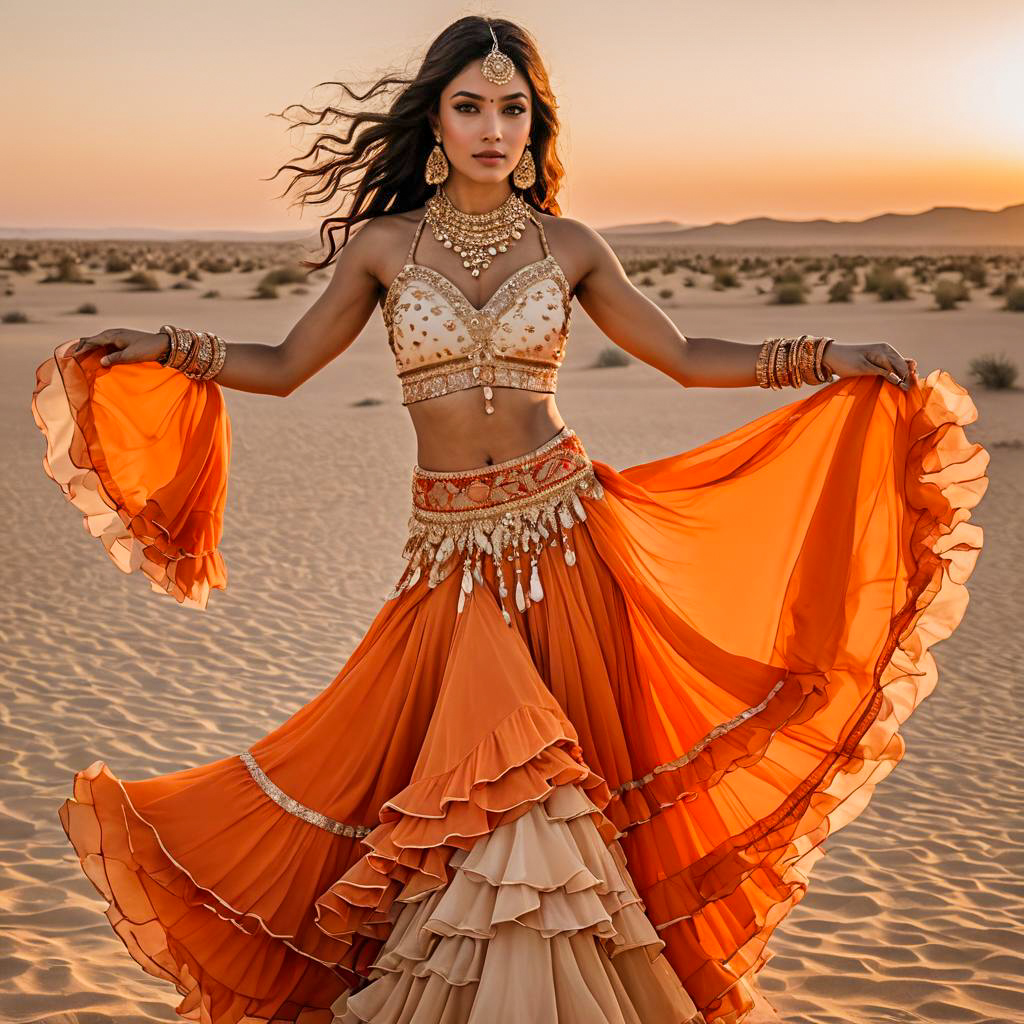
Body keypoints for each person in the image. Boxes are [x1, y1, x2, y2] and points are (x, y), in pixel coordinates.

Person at [30, 15, 989, 1024]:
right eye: (471, 106)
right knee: (467, 798)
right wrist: (167, 343)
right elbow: (282, 365)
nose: (494, 127)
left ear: (535, 125)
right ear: (435, 122)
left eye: (513, 109)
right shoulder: (383, 246)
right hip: (445, 560)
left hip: (567, 542)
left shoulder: (567, 244)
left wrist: (816, 353)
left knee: (552, 800)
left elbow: (681, 354)